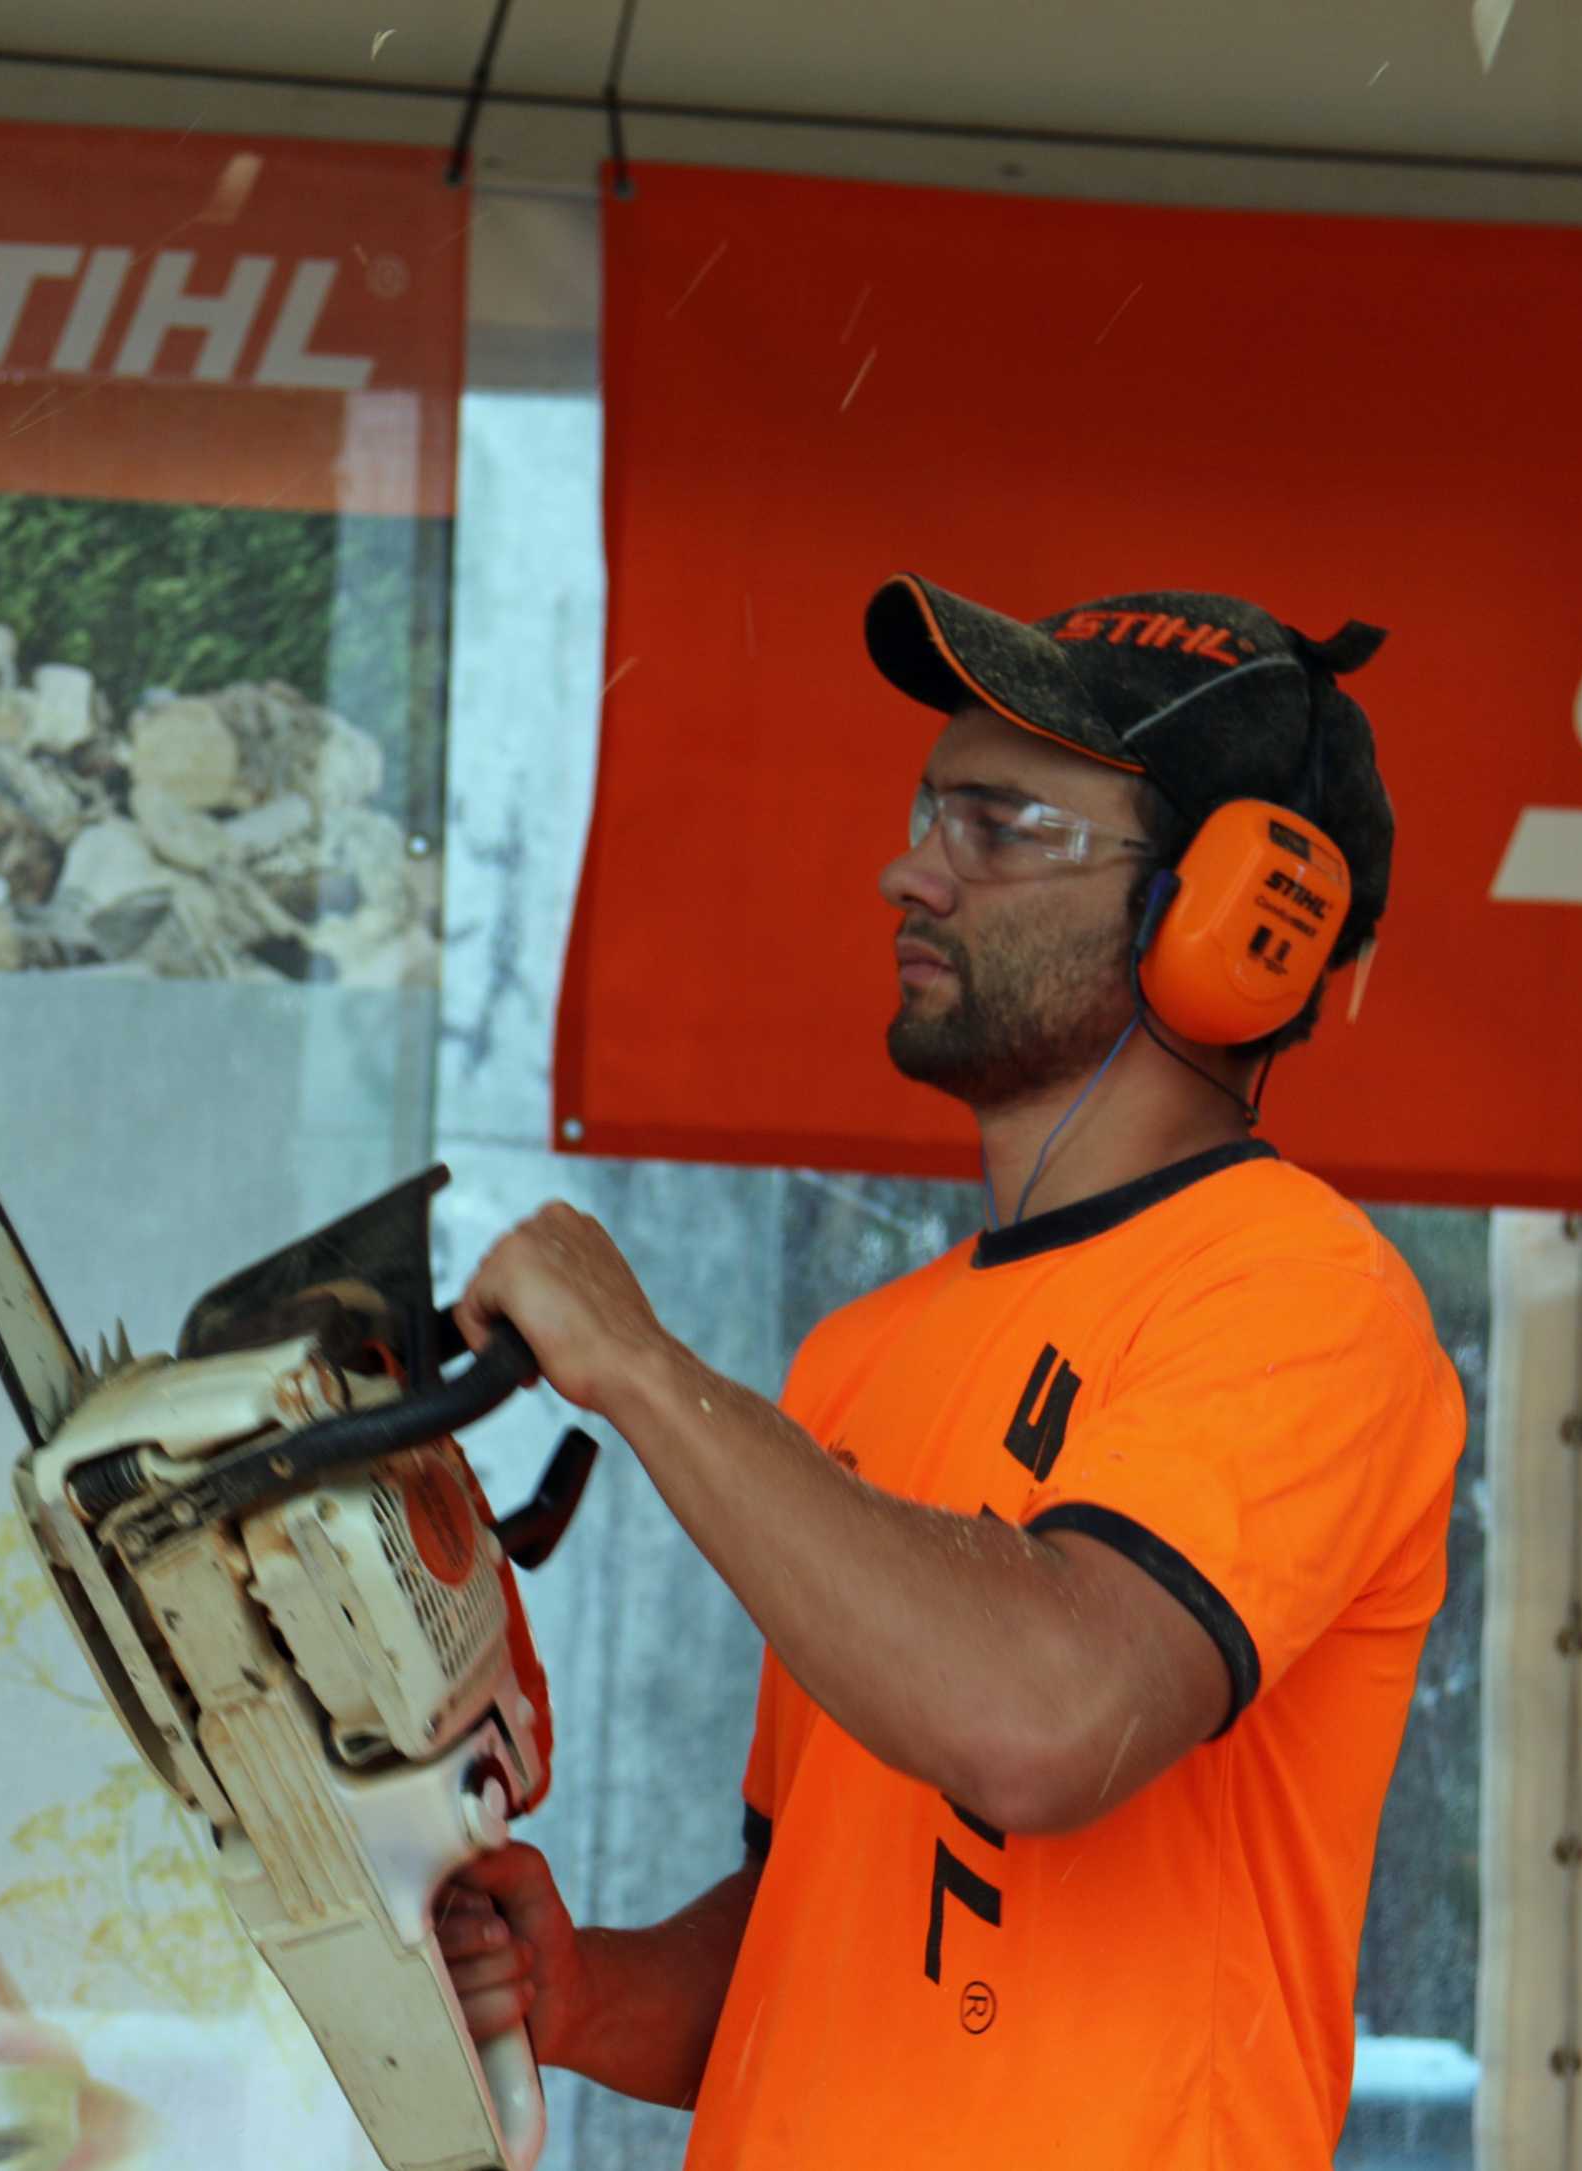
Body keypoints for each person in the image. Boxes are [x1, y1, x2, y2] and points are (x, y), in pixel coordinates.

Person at [437, 578, 1467, 2167]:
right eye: (931, 813)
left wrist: (642, 1369)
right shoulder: (862, 1354)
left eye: (998, 826)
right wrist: (585, 1993)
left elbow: (1044, 1724)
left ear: (1239, 916)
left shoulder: (1303, 1296)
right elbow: (818, 1920)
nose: (910, 870)